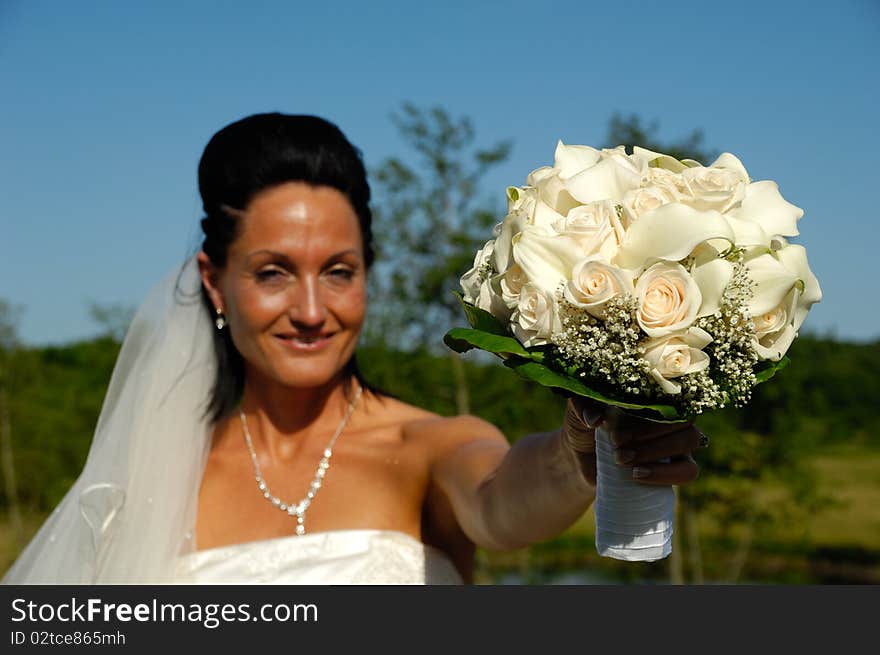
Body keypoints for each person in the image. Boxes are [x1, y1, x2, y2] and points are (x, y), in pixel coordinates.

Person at [2, 113, 703, 585]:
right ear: (215, 283)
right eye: (273, 272)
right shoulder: (149, 479)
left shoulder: (427, 446)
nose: (312, 310)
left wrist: (574, 451)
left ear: (368, 272)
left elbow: (502, 501)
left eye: (339, 270)